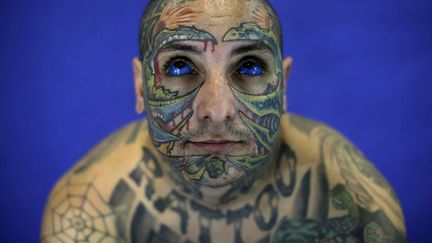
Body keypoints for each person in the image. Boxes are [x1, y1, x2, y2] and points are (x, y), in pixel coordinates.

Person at [40, 0, 406, 242]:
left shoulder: (354, 207)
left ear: (282, 89)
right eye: (179, 66)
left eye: (250, 66)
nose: (216, 110)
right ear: (140, 87)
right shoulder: (85, 214)